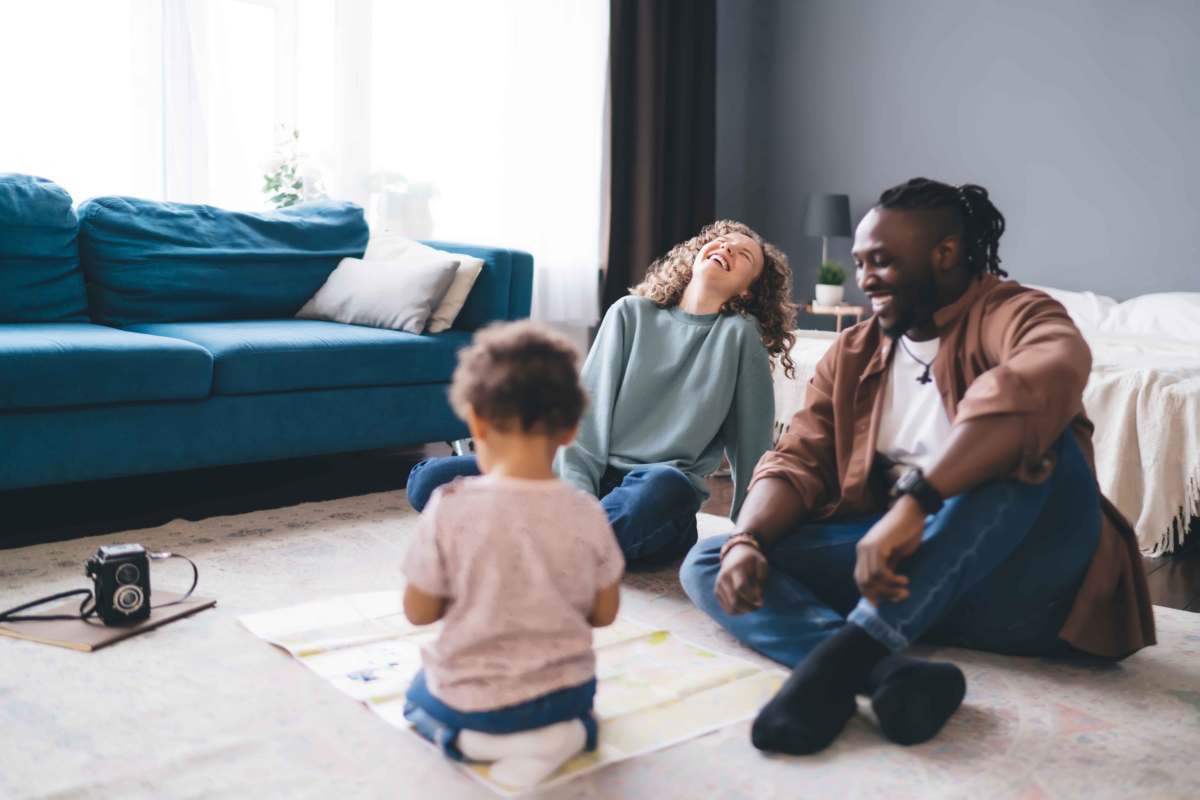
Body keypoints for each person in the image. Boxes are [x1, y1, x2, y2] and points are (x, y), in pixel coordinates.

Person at [680, 178, 1155, 755]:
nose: (864, 278)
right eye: (859, 263)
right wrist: (748, 540)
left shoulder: (1014, 312)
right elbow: (798, 457)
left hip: (1030, 586)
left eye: (882, 260)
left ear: (946, 255)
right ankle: (882, 671)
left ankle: (844, 659)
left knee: (1031, 452)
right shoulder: (852, 353)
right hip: (921, 586)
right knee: (713, 557)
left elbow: (1045, 373)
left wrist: (916, 502)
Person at [407, 220, 798, 568]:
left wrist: (751, 536)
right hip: (579, 478)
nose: (726, 248)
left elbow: (754, 446)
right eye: (719, 242)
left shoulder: (741, 337)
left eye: (743, 254)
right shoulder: (631, 313)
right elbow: (587, 416)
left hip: (650, 492)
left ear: (748, 292)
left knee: (666, 488)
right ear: (695, 257)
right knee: (430, 480)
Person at [401, 321, 624, 788]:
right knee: (568, 712)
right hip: (568, 696)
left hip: (475, 700)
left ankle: (477, 743)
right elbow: (604, 614)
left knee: (416, 697)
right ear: (570, 431)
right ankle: (563, 736)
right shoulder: (587, 510)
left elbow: (419, 612)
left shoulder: (450, 507)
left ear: (476, 422)